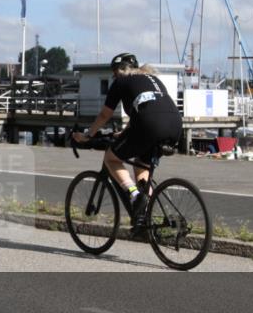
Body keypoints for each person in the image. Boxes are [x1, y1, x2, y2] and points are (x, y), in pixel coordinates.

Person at [72, 52, 182, 236]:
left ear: (120, 70)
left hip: (149, 125)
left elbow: (105, 115)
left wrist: (87, 135)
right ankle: (144, 219)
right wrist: (124, 133)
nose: (114, 76)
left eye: (114, 73)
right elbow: (148, 109)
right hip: (175, 125)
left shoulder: (121, 81)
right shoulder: (152, 79)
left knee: (111, 158)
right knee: (141, 165)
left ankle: (135, 195)